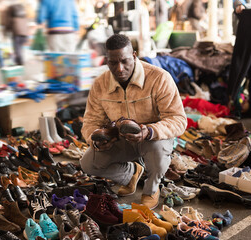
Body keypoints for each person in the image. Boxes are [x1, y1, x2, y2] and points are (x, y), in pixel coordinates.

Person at [80, 34, 187, 209]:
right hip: (122, 140)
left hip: (152, 138)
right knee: (88, 163)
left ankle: (151, 189)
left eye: (125, 61)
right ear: (106, 61)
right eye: (113, 63)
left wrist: (150, 131)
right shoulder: (100, 84)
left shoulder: (159, 78)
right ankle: (131, 175)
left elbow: (178, 119)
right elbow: (91, 121)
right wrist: (97, 140)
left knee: (157, 151)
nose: (120, 69)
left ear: (134, 56)